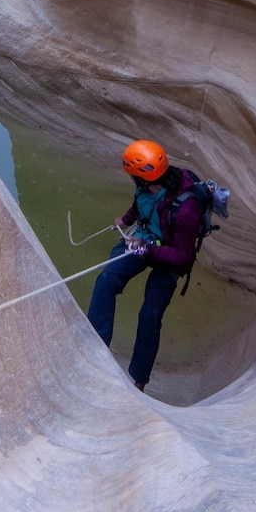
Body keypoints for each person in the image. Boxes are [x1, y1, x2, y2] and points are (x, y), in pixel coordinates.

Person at [87, 139, 205, 393]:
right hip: (144, 242)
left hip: (168, 253)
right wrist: (126, 219)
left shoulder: (186, 209)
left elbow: (183, 257)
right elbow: (141, 205)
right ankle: (95, 348)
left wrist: (147, 248)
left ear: (142, 177)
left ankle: (139, 381)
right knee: (107, 280)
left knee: (150, 315)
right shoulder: (148, 187)